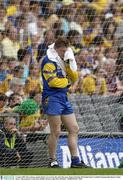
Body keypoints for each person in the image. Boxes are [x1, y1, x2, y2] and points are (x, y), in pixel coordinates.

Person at [41, 37, 90, 168]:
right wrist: (67, 82)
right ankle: (52, 160)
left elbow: (74, 77)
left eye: (65, 51)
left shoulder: (64, 61)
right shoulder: (48, 61)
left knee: (74, 128)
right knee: (55, 131)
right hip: (52, 98)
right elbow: (53, 82)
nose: (64, 53)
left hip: (63, 97)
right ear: (56, 50)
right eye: (62, 51)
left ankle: (75, 161)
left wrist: (68, 64)